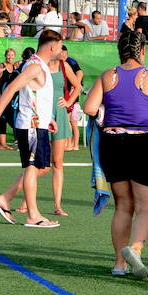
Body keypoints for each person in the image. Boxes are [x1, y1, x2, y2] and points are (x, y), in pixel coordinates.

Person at [81, 28, 148, 279]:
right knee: (147, 207)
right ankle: (136, 249)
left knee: (123, 206)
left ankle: (119, 264)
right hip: (144, 144)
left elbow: (89, 108)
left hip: (112, 143)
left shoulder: (108, 75)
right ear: (143, 50)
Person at [0, 29, 64, 229]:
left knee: (42, 167)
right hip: (30, 126)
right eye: (60, 47)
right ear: (52, 46)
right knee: (32, 168)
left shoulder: (41, 66)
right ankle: (32, 215)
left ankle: (5, 198)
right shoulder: (35, 66)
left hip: (38, 124)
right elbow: (12, 88)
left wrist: (49, 118)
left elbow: (36, 96)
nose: (61, 51)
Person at [47, 40, 83, 216]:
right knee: (38, 164)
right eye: (59, 47)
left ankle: (57, 206)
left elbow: (78, 86)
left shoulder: (64, 65)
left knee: (57, 162)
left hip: (59, 115)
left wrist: (68, 102)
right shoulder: (39, 65)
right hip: (41, 115)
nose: (62, 51)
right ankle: (26, 202)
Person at [0, 47, 19, 150]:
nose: (10, 57)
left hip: (9, 99)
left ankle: (3, 143)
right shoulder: (1, 66)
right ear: (5, 56)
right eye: (8, 55)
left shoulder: (14, 67)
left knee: (4, 119)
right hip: (1, 97)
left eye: (12, 55)